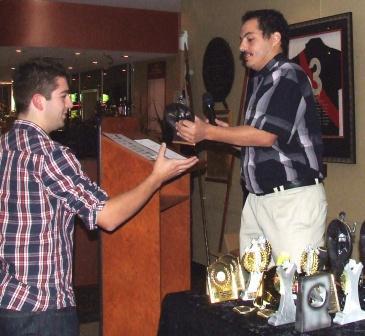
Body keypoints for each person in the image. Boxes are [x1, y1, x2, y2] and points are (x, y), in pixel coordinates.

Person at [0, 58, 198, 336]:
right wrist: (156, 178)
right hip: (44, 309)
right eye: (64, 96)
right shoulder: (50, 154)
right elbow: (107, 216)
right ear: (38, 101)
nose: (70, 104)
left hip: (9, 303)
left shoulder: (5, 146)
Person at [176, 9, 327, 270]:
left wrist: (208, 133)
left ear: (275, 38)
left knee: (295, 290)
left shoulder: (288, 75)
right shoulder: (261, 81)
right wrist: (224, 135)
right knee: (256, 290)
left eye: (249, 39)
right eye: (241, 39)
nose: (241, 47)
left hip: (291, 201)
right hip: (258, 201)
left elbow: (266, 137)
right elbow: (260, 143)